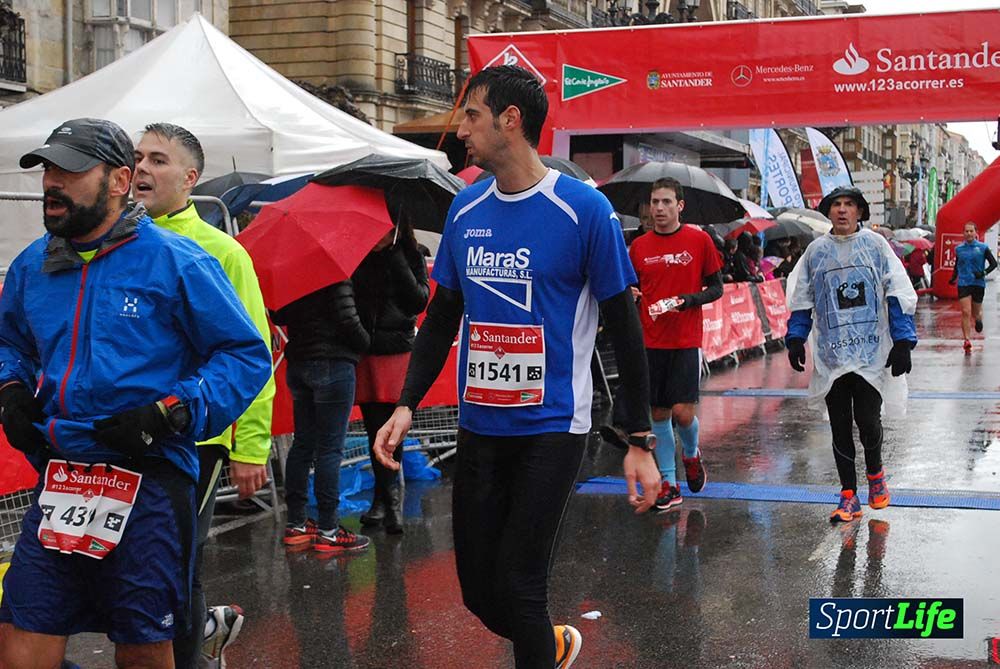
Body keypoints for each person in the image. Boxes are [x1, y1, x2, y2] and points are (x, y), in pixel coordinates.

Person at [371, 65, 660, 669]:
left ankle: (539, 642)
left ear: (511, 120)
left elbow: (626, 329)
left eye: (471, 115)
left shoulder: (584, 210)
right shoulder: (467, 206)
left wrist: (639, 437)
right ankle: (551, 646)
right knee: (480, 592)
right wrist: (406, 402)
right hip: (481, 425)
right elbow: (444, 313)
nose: (461, 132)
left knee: (523, 587)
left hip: (552, 428)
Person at [0, 118, 271, 669]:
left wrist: (170, 412)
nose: (53, 182)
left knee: (144, 646)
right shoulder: (33, 264)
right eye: (48, 168)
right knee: (22, 637)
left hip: (147, 477)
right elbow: (10, 342)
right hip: (64, 475)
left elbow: (245, 357)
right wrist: (9, 388)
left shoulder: (177, 261)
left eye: (71, 170)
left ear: (119, 180)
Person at [132, 123, 276, 669]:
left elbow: (253, 357)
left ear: (191, 178)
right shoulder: (111, 244)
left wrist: (250, 447)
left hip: (199, 438)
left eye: (158, 160)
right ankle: (207, 629)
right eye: (137, 156)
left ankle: (193, 651)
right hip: (126, 436)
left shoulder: (222, 252)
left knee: (175, 566)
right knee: (133, 565)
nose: (142, 168)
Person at [784, 186, 917, 523]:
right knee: (840, 426)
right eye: (836, 205)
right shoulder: (815, 253)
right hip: (832, 355)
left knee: (868, 421)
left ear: (860, 212)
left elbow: (897, 291)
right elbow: (803, 298)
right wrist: (796, 337)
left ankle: (875, 475)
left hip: (870, 353)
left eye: (849, 205)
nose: (842, 211)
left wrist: (903, 341)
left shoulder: (875, 246)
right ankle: (848, 495)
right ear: (828, 212)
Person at [624, 177, 723, 511]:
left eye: (666, 202)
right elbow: (631, 287)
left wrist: (688, 299)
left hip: (684, 339)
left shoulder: (699, 240)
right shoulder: (639, 247)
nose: (659, 209)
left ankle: (692, 454)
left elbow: (717, 287)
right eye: (654, 202)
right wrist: (632, 295)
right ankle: (669, 482)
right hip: (650, 340)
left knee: (682, 414)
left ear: (679, 206)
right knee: (658, 413)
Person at [269, 279, 371, 553]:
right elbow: (348, 318)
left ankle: (297, 525)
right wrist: (365, 341)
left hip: (299, 364)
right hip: (333, 363)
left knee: (302, 444)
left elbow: (278, 314)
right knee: (329, 449)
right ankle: (328, 530)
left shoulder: (292, 274)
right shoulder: (334, 274)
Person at [353, 215, 430, 535]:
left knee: (393, 426)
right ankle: (382, 499)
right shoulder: (359, 255)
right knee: (374, 427)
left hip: (397, 348)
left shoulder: (412, 253)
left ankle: (392, 501)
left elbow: (418, 300)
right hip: (369, 349)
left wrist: (395, 254)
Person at [949, 221, 997, 353]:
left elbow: (994, 264)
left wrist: (983, 273)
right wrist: (953, 277)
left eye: (971, 231)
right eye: (966, 231)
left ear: (976, 233)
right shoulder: (959, 249)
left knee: (976, 313)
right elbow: (957, 265)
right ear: (963, 233)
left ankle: (979, 319)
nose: (969, 233)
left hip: (978, 283)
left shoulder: (983, 247)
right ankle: (967, 340)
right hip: (964, 283)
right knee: (965, 311)